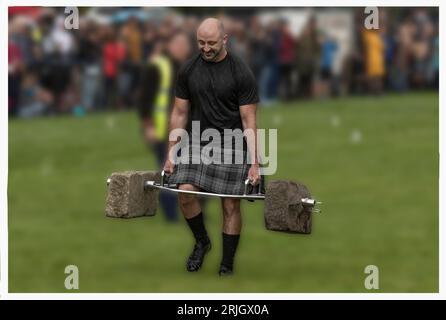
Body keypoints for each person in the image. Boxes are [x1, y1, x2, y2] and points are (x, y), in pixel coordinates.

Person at [163, 18, 262, 276]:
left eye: (211, 43)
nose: (205, 48)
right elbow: (179, 112)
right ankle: (202, 242)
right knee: (185, 192)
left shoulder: (240, 72)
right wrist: (171, 153)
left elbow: (248, 119)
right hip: (198, 142)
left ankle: (227, 264)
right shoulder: (188, 70)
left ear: (225, 40)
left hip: (233, 144)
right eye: (201, 42)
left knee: (230, 205)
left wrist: (254, 163)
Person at [138, 33, 192, 222]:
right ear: (171, 46)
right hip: (162, 131)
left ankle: (189, 211)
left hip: (183, 131)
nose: (183, 49)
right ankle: (171, 216)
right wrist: (148, 126)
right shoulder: (158, 66)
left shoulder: (187, 68)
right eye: (180, 45)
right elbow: (145, 99)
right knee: (169, 171)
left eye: (185, 46)